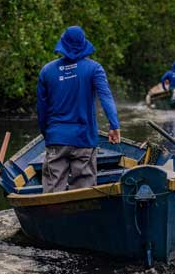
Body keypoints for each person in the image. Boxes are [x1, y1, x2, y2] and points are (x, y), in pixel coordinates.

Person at [36, 26, 121, 193]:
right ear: (83, 45)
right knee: (83, 192)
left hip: (56, 138)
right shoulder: (94, 68)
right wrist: (114, 125)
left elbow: (42, 110)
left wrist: (48, 135)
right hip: (84, 139)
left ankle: (52, 217)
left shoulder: (47, 71)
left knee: (52, 192)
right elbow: (106, 98)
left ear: (63, 44)